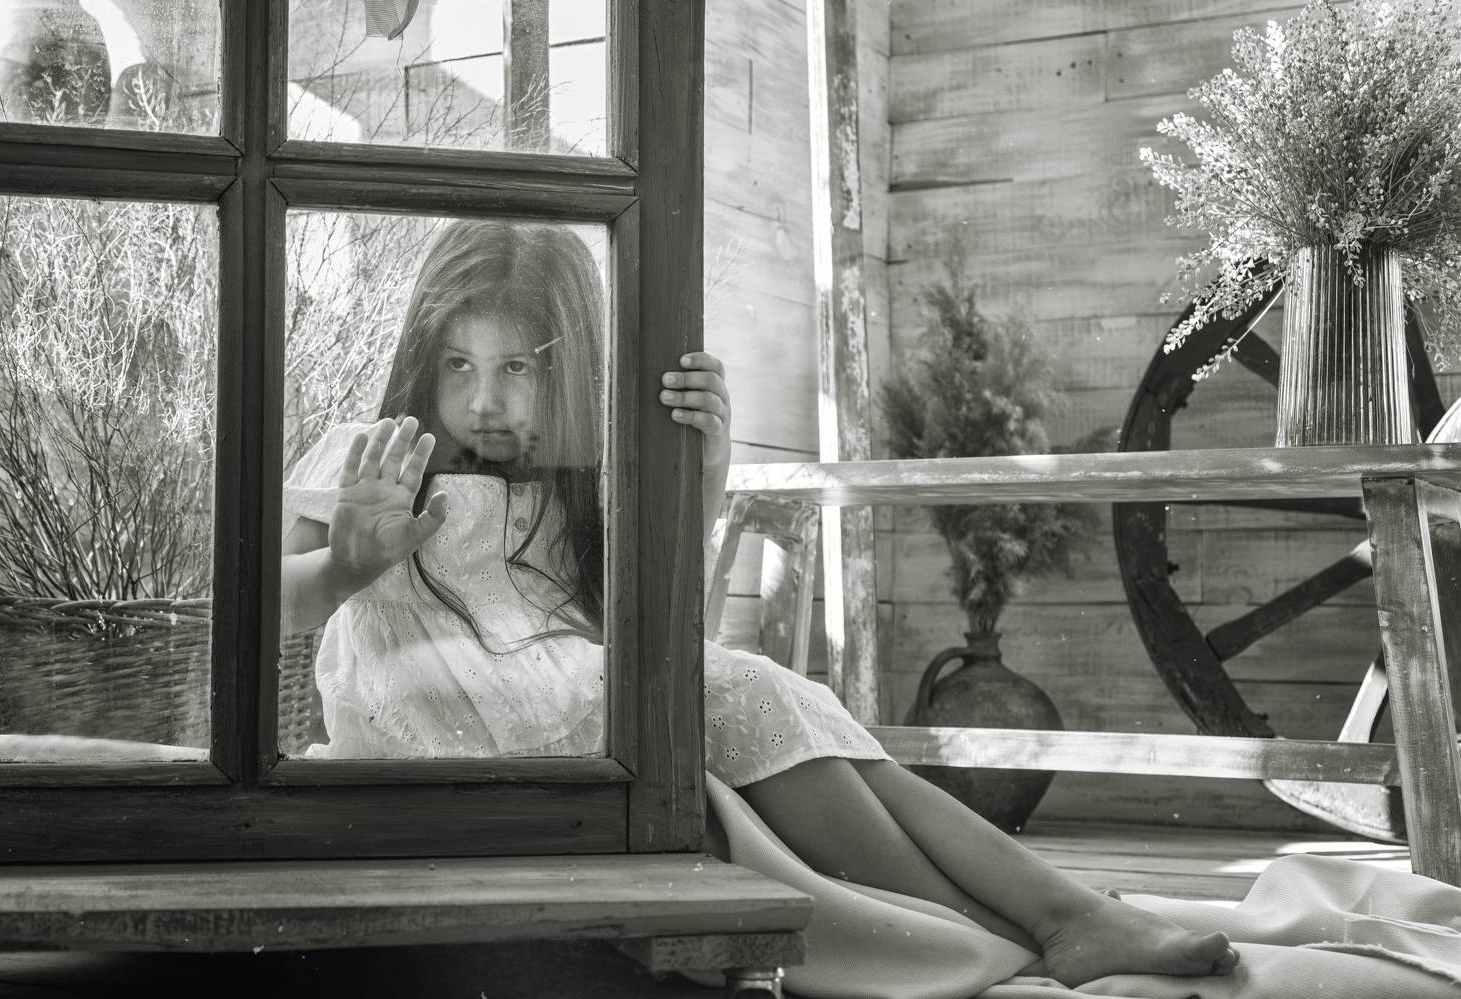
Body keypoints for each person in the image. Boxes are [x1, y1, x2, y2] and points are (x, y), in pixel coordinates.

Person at [280, 217, 1240, 989]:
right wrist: (341, 570)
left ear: (567, 371)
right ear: (424, 355)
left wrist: (707, 466)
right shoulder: (369, 457)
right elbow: (263, 609)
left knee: (778, 709)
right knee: (741, 687)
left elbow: (648, 608)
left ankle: (1055, 914)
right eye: (458, 364)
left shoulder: (570, 485)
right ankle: (1021, 923)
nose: (484, 400)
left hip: (562, 713)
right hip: (436, 744)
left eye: (516, 368)